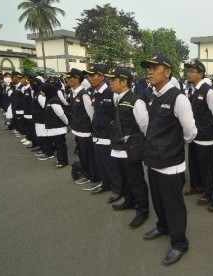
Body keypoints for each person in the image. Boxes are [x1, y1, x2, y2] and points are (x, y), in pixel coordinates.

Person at [140, 55, 197, 265]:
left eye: (155, 67)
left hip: (171, 163)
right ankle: (163, 226)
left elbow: (190, 131)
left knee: (174, 205)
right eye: (149, 67)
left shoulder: (178, 98)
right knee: (158, 200)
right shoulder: (154, 95)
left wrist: (174, 145)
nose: (150, 71)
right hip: (154, 160)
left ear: (168, 72)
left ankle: (180, 243)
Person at [106, 67, 150, 229]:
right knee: (124, 178)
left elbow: (145, 126)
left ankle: (142, 210)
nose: (110, 82)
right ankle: (129, 201)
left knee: (136, 180)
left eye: (113, 79)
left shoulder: (136, 101)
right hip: (118, 147)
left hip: (131, 149)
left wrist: (137, 143)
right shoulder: (116, 97)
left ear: (124, 82)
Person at [183, 59, 213, 204]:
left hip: (206, 135)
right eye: (188, 71)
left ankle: (208, 191)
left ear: (200, 74)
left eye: (192, 71)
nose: (189, 73)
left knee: (206, 166)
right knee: (193, 162)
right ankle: (196, 186)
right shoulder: (193, 90)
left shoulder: (209, 92)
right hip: (194, 134)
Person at [83, 66, 123, 203]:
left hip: (108, 135)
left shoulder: (111, 92)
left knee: (111, 165)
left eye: (92, 75)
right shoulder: (94, 93)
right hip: (97, 134)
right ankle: (106, 184)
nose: (89, 78)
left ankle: (117, 189)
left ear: (101, 77)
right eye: (88, 76)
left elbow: (116, 116)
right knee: (101, 164)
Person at [63, 68, 101, 189]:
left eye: (69, 78)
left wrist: (92, 131)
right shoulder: (72, 93)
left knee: (89, 155)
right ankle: (87, 174)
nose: (67, 80)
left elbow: (91, 114)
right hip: (77, 129)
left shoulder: (84, 94)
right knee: (82, 155)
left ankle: (95, 177)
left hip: (85, 131)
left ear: (77, 80)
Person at [39, 83, 69, 168]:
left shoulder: (53, 101)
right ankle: (60, 159)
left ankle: (63, 161)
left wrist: (66, 123)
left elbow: (61, 114)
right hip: (54, 127)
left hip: (58, 127)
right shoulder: (49, 99)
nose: (41, 92)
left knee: (60, 145)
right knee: (58, 144)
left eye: (42, 91)